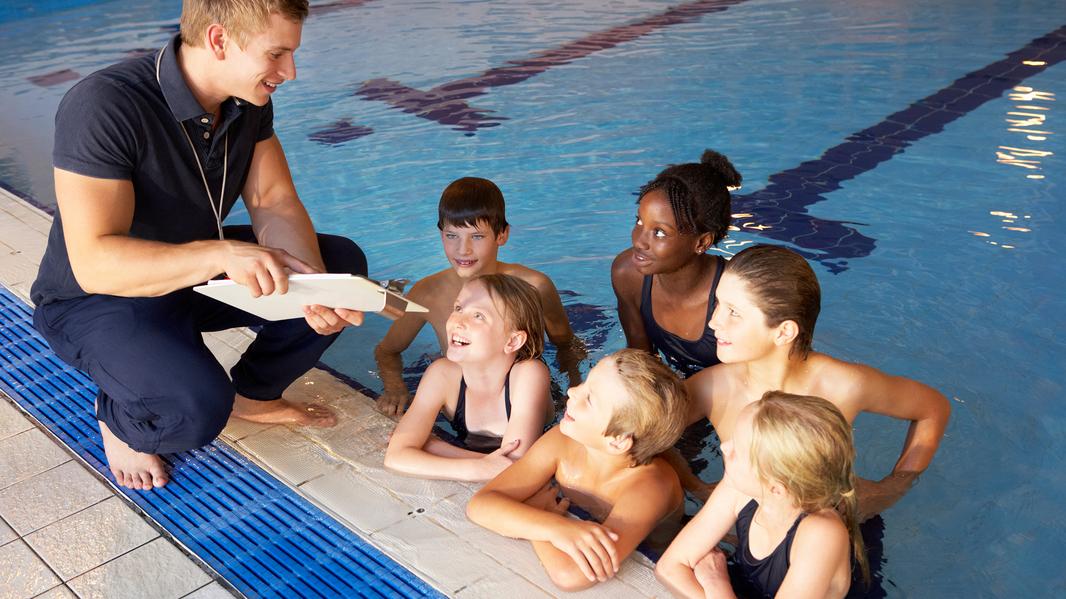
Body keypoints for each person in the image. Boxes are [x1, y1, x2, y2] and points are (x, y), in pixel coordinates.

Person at [30, 0, 365, 492]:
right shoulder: (105, 104)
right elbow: (95, 263)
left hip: (193, 276)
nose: (289, 72)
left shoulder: (245, 101)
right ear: (218, 40)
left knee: (339, 267)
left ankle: (255, 393)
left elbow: (273, 201)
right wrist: (223, 254)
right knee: (195, 412)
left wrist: (311, 287)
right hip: (97, 299)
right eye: (276, 54)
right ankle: (118, 416)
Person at [686, 244, 952, 517]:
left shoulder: (842, 385)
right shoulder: (711, 388)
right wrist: (697, 488)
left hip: (835, 524)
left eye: (734, 312)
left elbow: (933, 409)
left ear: (784, 332)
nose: (714, 322)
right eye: (718, 303)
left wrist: (894, 488)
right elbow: (647, 431)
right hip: (742, 533)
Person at [466, 349, 689, 591]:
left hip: (651, 557)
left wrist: (537, 513)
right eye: (586, 381)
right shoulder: (563, 440)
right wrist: (553, 526)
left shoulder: (650, 489)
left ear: (616, 441)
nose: (573, 391)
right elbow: (480, 505)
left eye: (590, 399)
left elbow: (571, 576)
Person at [374, 176, 584, 416]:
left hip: (524, 397)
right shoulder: (428, 293)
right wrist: (394, 387)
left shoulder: (534, 286)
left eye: (477, 236)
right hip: (464, 402)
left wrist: (575, 391)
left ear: (502, 235)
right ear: (440, 233)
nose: (463, 249)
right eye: (452, 235)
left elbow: (567, 345)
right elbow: (387, 350)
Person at [657, 392, 867, 599]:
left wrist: (716, 583)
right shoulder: (740, 487)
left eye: (737, 450)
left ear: (776, 488)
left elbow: (685, 572)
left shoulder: (821, 535)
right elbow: (669, 568)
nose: (724, 447)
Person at [384, 274, 553, 481]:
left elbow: (516, 470)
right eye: (458, 308)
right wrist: (477, 468)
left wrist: (436, 447)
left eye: (478, 316)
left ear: (512, 341)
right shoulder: (442, 374)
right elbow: (395, 457)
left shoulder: (529, 374)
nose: (457, 321)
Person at [612, 150, 741, 378]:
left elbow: (755, 380)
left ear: (702, 242)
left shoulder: (737, 295)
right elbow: (642, 367)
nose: (640, 241)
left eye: (659, 232)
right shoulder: (628, 274)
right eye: (639, 221)